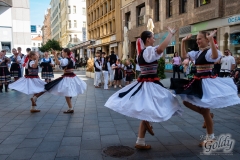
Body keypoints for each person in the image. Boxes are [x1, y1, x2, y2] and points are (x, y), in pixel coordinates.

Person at [105, 27, 183, 150]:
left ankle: (140, 140)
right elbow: (161, 48)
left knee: (147, 109)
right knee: (166, 102)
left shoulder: (141, 53)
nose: (154, 39)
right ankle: (147, 124)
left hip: (145, 82)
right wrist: (170, 34)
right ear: (148, 39)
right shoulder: (149, 51)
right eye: (152, 37)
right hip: (149, 84)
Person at [172, 30, 240, 147]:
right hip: (197, 81)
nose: (198, 41)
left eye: (200, 39)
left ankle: (211, 137)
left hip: (207, 83)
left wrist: (211, 41)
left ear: (206, 40)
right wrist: (183, 42)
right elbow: (184, 56)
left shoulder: (210, 52)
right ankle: (207, 117)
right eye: (197, 39)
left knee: (206, 110)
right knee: (186, 101)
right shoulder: (197, 53)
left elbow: (214, 56)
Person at [45, 48, 87, 113]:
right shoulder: (72, 59)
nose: (62, 53)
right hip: (72, 76)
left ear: (66, 53)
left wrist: (55, 55)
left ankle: (70, 108)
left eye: (62, 52)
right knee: (68, 92)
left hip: (67, 77)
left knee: (67, 93)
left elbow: (58, 63)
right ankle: (70, 107)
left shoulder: (65, 60)